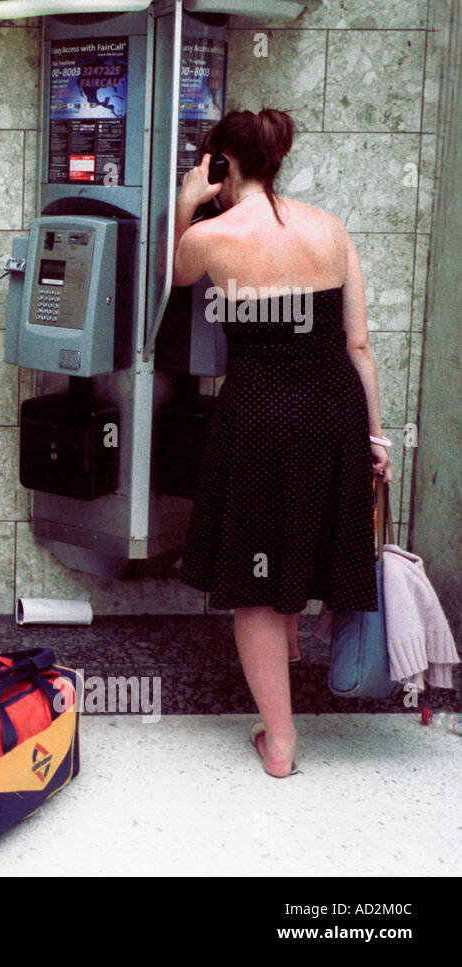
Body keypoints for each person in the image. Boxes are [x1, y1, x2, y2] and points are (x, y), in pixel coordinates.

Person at [172, 108, 393, 777]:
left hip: (262, 416)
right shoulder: (330, 228)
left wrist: (186, 206)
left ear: (222, 164)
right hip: (334, 410)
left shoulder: (213, 236)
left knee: (255, 584)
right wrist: (375, 437)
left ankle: (281, 739)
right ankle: (286, 710)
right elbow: (358, 344)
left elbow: (175, 279)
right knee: (302, 548)